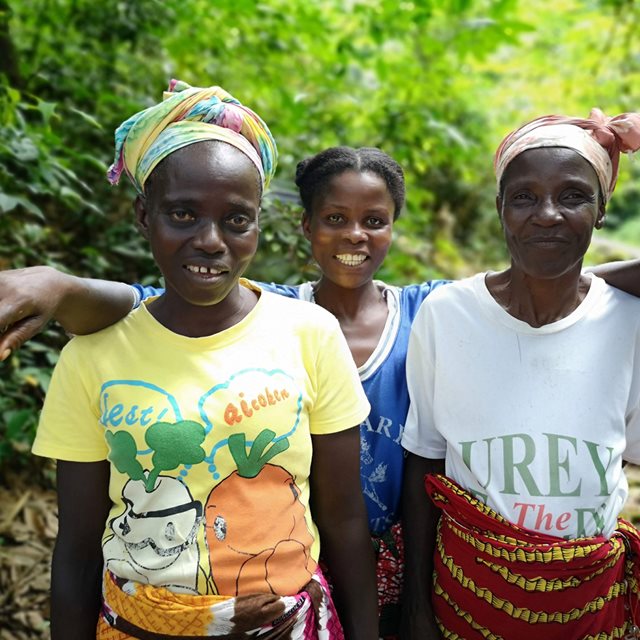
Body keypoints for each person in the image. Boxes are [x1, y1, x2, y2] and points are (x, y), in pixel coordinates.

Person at [29, 80, 379, 640]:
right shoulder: (92, 355)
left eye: (236, 220)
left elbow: (343, 519)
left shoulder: (310, 334)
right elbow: (75, 547)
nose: (211, 241)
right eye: (184, 214)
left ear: (258, 225)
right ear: (145, 216)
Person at [401, 109, 640, 640]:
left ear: (602, 211)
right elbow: (424, 460)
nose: (548, 214)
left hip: (588, 602)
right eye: (525, 197)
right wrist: (417, 609)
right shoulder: (447, 314)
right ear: (500, 209)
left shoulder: (628, 320)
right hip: (468, 597)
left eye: (574, 196)